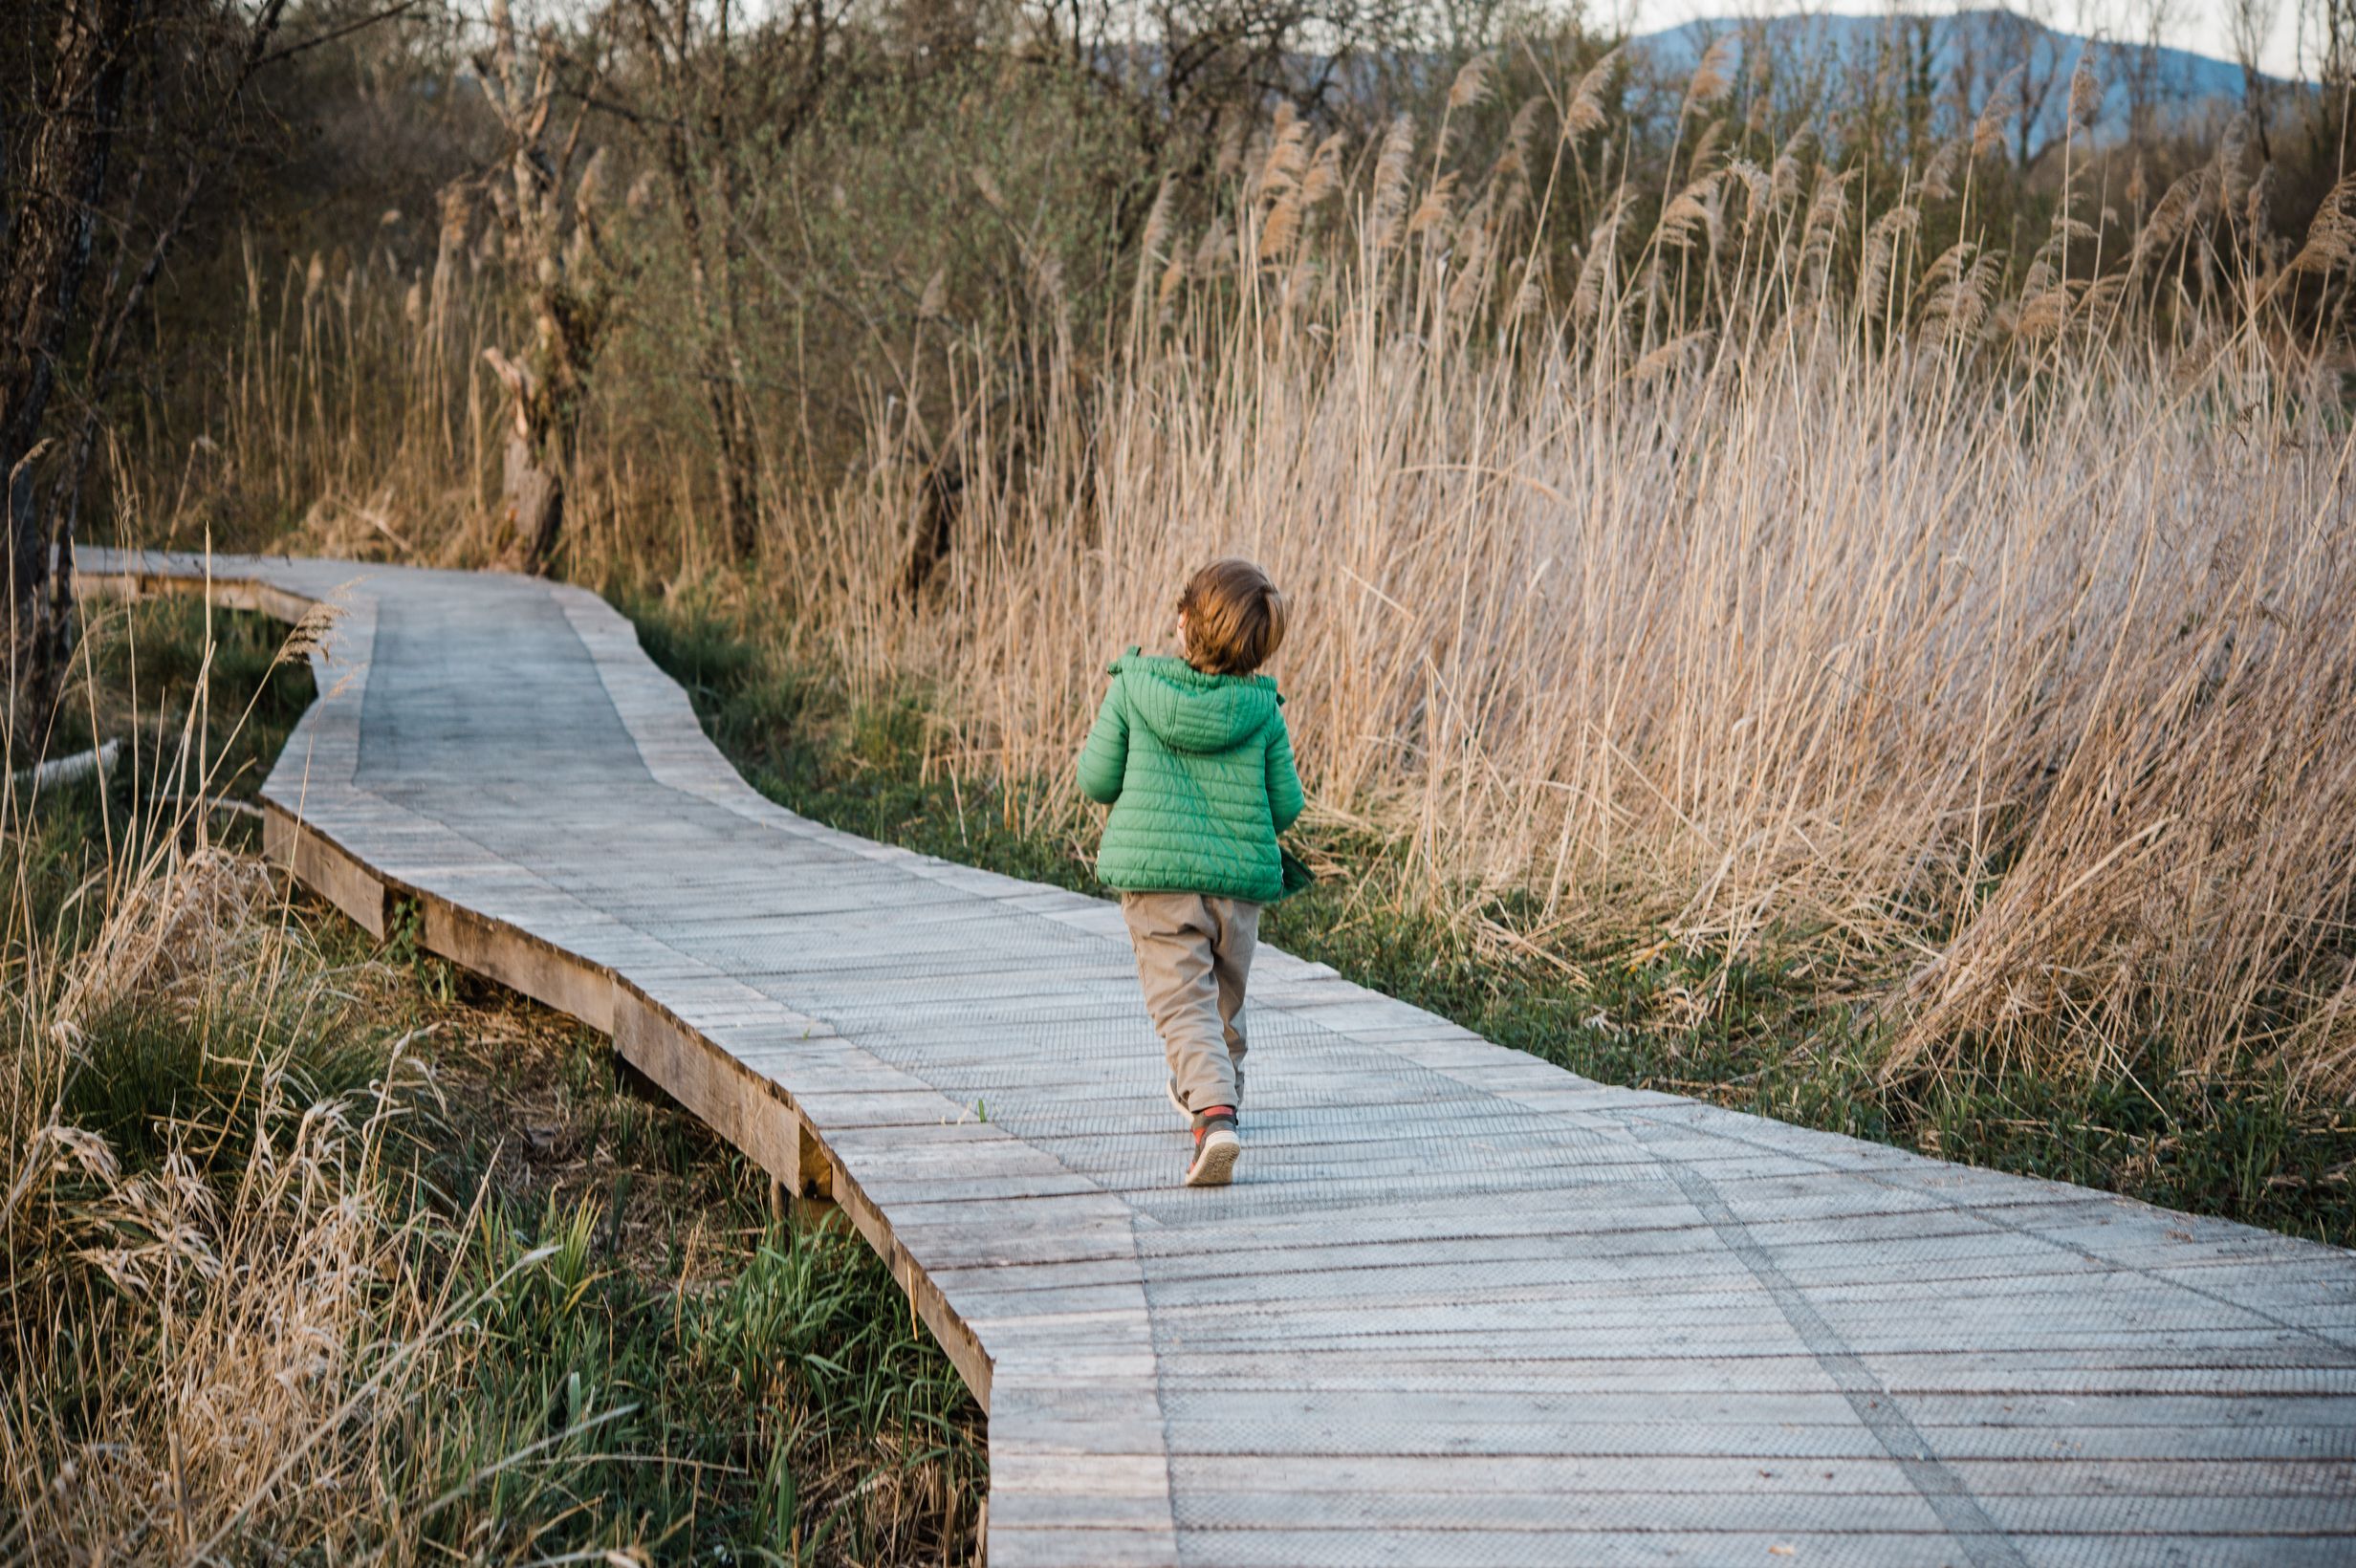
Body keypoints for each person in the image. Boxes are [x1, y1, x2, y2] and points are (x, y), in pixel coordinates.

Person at [1077, 558, 1304, 1187]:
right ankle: (1215, 1094)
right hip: (1238, 885)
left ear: (1182, 622)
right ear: (1259, 647)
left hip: (1161, 882)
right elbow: (1287, 805)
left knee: (1183, 1002)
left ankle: (1213, 1114)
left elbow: (1095, 779)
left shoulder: (1133, 686)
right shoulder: (1263, 710)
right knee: (1221, 1001)